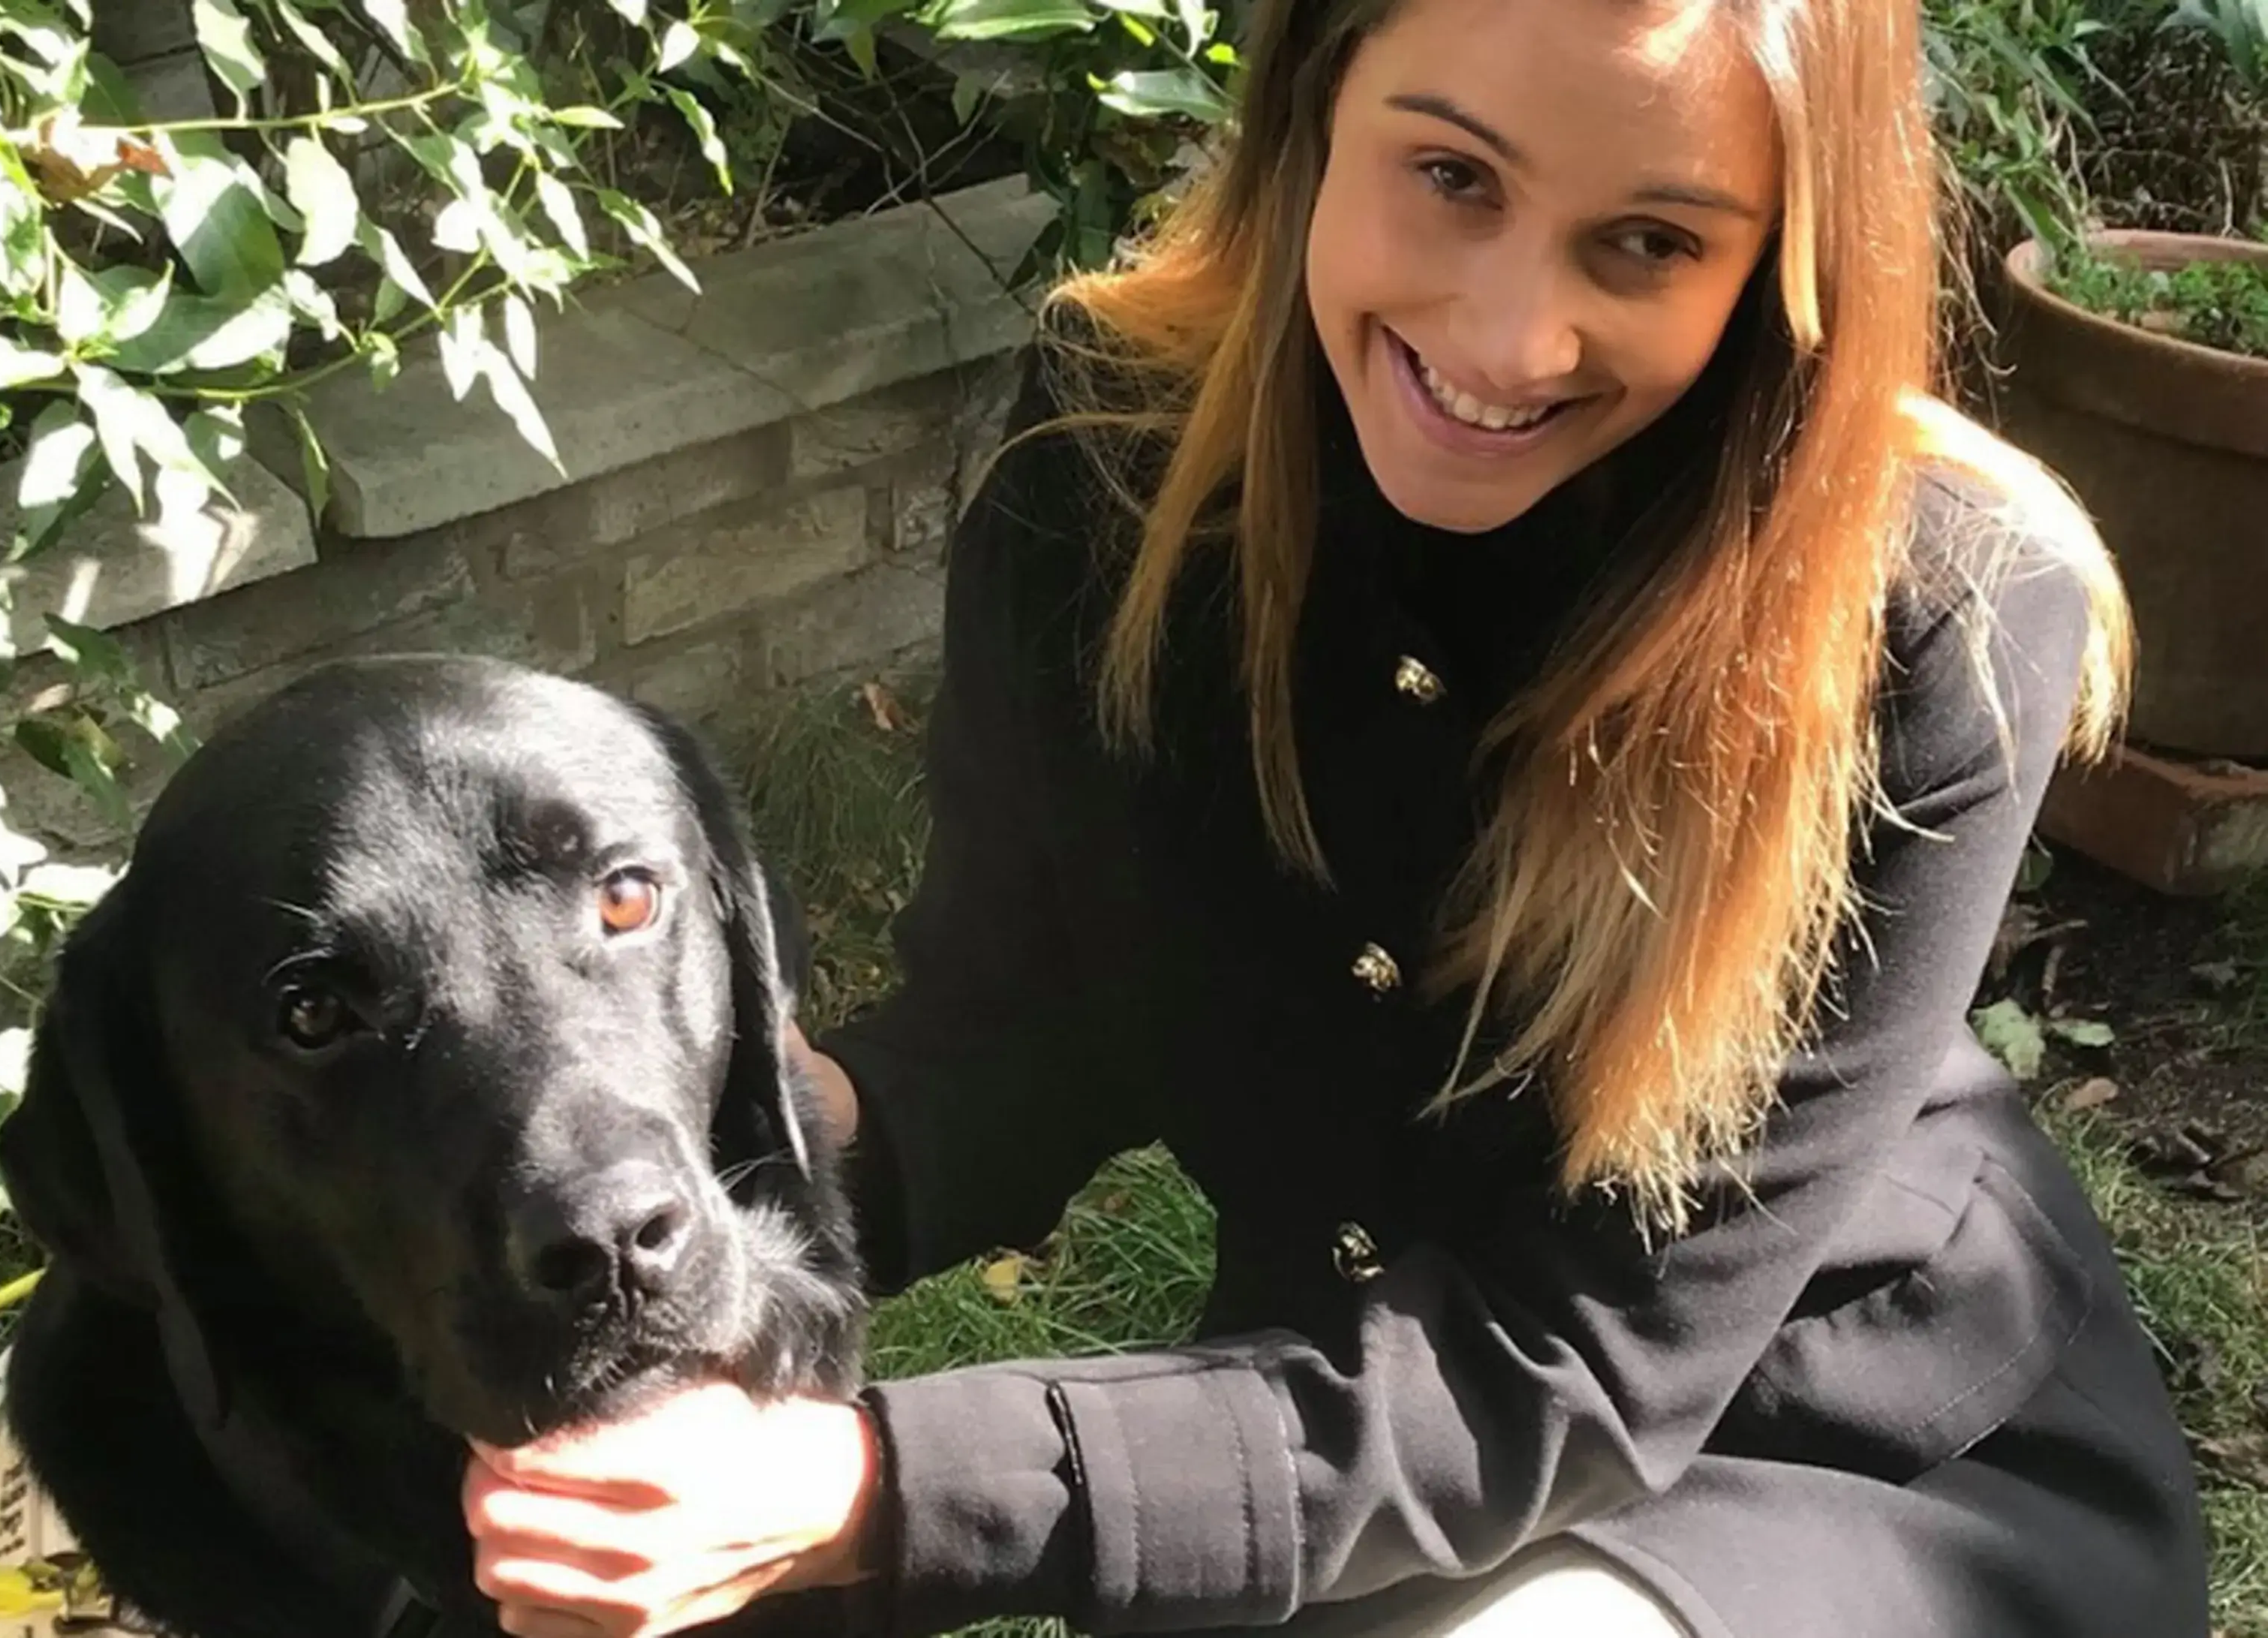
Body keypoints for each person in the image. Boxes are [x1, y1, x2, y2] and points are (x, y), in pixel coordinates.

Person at [451, 0, 2214, 1633]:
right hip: (1350, 1418)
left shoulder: (1931, 611)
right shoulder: (1103, 468)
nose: (1511, 335)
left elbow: (1588, 1360)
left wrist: (878, 1483)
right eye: (1450, 176)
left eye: (1651, 242)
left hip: (1847, 1440)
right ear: (1309, 110)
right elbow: (1025, 1024)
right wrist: (683, 1175)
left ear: (1781, 259)